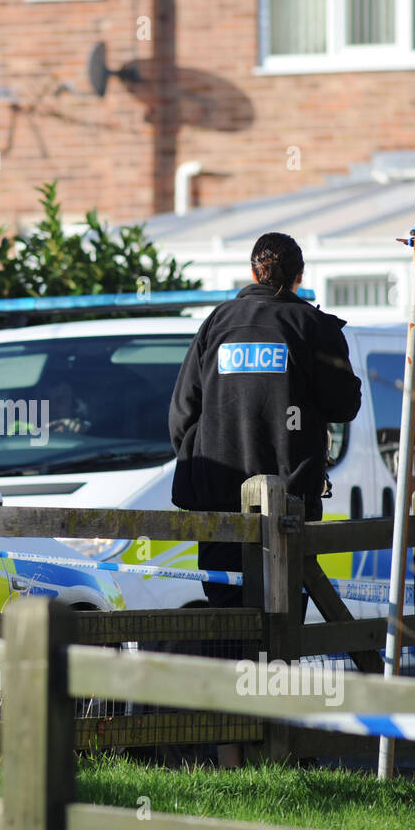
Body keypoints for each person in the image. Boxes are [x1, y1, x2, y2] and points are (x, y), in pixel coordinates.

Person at [163, 232, 362, 767]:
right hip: (286, 508)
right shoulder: (312, 326)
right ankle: (273, 751)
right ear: (297, 277)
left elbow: (181, 415)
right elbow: (344, 405)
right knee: (279, 628)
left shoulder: (215, 324)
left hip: (218, 510)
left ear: (254, 272)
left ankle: (231, 755)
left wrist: (208, 461)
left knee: (228, 625)